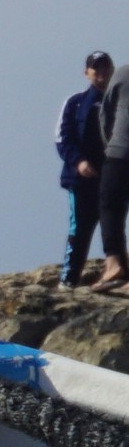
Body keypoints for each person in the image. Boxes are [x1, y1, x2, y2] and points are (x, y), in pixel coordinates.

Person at [68, 54, 110, 283]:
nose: (101, 72)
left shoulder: (120, 101)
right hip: (82, 179)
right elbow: (63, 138)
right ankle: (69, 279)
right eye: (96, 69)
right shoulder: (75, 103)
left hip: (113, 177)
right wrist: (79, 162)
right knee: (80, 230)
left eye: (105, 67)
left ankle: (116, 272)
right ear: (87, 73)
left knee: (112, 229)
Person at [100, 53, 129, 287]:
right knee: (111, 207)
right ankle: (117, 266)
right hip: (119, 150)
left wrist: (109, 143)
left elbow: (106, 115)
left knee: (111, 208)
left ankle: (114, 264)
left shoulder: (121, 74)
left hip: (119, 152)